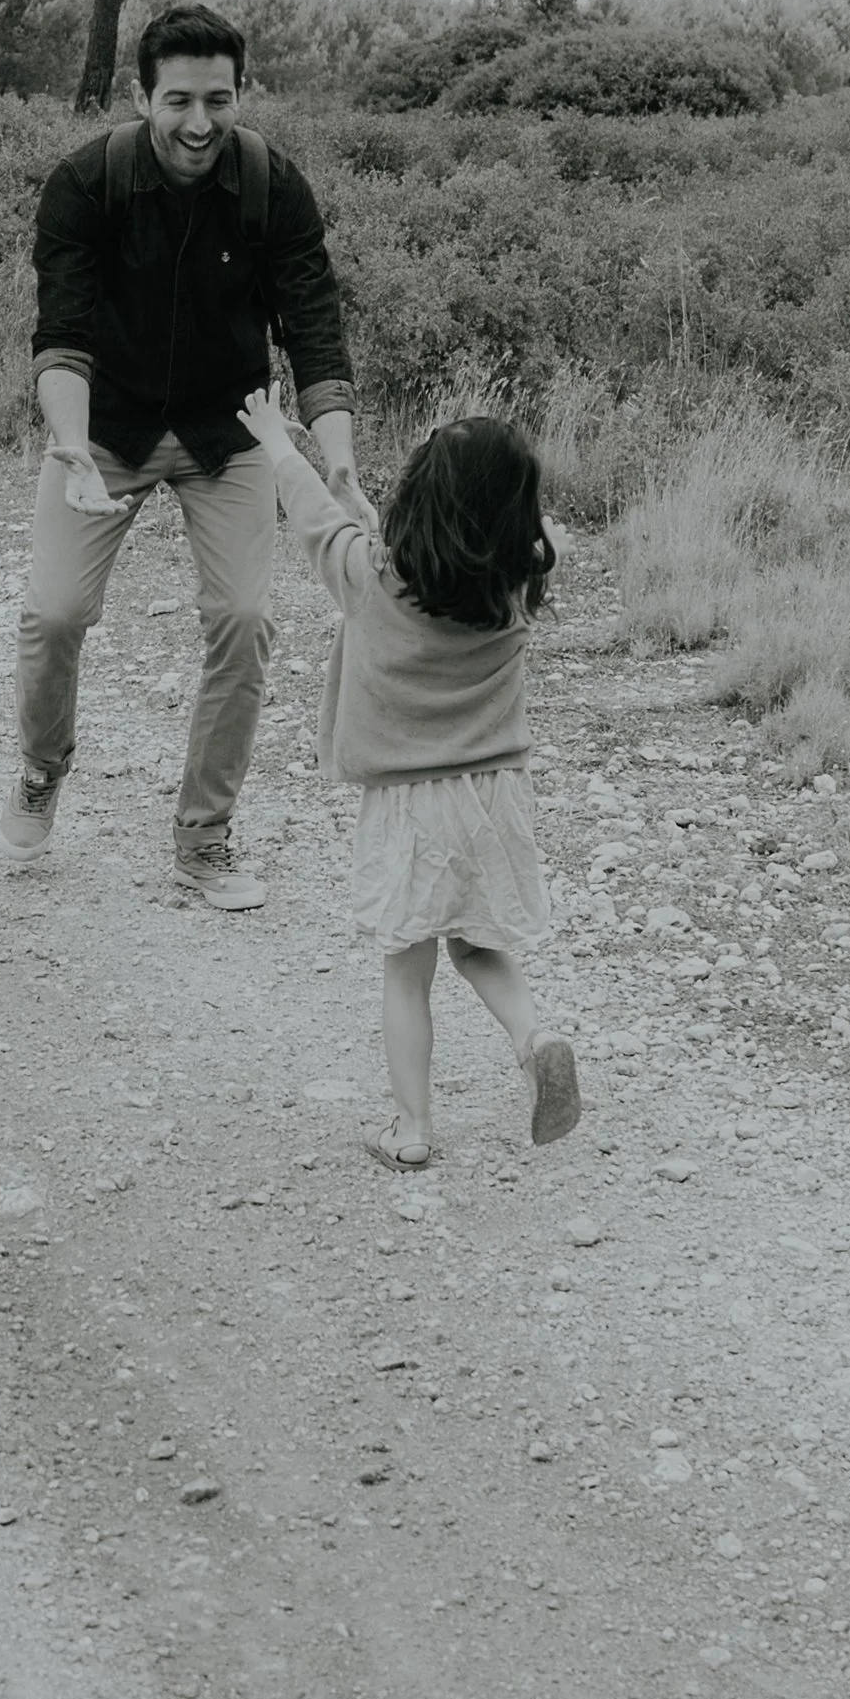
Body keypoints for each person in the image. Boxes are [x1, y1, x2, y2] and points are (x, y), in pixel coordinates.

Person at [1, 0, 366, 911]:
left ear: (241, 93)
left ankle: (203, 839)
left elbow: (315, 334)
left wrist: (339, 461)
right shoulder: (86, 183)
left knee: (244, 620)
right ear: (142, 97)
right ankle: (43, 770)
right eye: (178, 102)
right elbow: (62, 337)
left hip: (228, 430)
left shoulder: (274, 186)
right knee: (53, 615)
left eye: (218, 99)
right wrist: (74, 450)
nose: (199, 123)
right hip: (104, 429)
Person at [238, 384, 581, 1168]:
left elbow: (315, 521)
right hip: (495, 798)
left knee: (407, 968)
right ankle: (536, 1037)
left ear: (420, 503)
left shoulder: (369, 578)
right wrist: (350, 495)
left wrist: (277, 443)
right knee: (477, 947)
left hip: (409, 805)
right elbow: (408, 539)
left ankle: (412, 1128)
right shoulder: (514, 585)